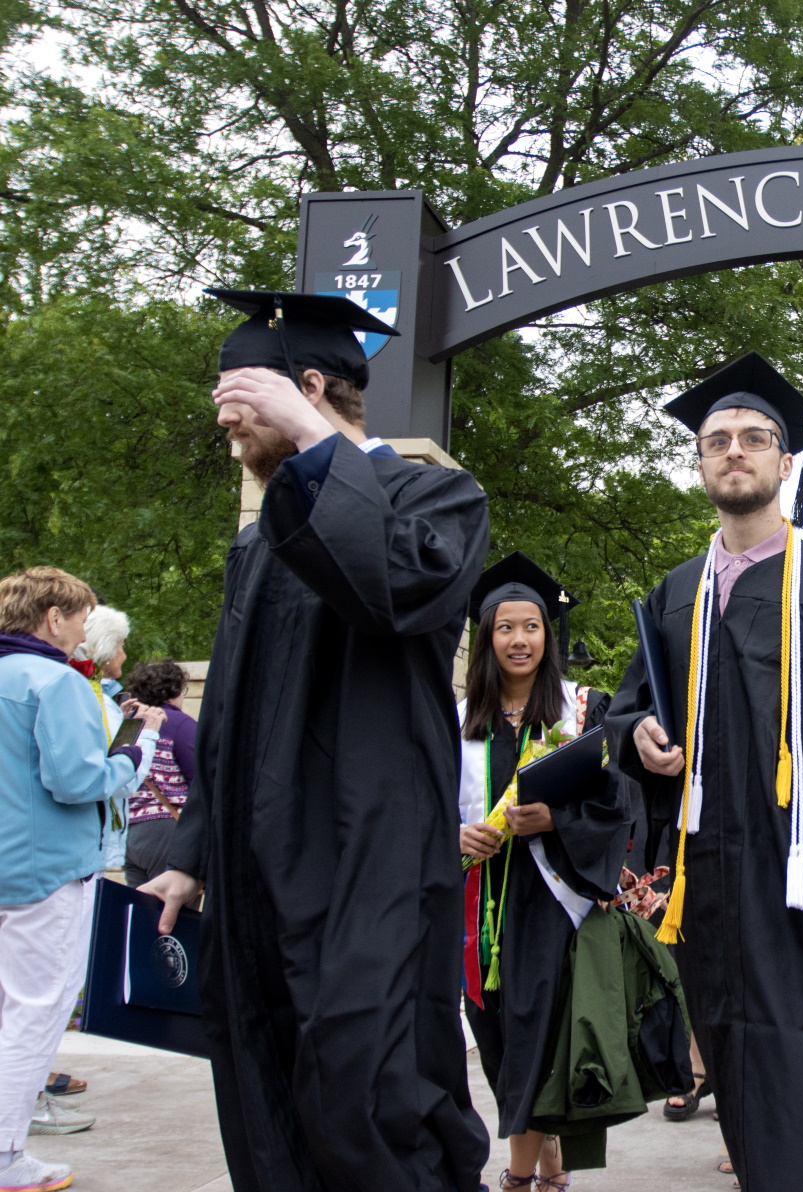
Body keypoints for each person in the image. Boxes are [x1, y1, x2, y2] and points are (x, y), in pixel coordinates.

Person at [141, 289, 491, 1192]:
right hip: (258, 862)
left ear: (306, 388)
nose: (228, 432)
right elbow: (229, 715)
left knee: (368, 1090)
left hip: (367, 859)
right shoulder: (260, 544)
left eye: (238, 408)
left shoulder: (438, 497)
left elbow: (390, 589)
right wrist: (190, 852)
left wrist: (309, 434)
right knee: (262, 1075)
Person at [605, 351, 803, 1192]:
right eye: (717, 441)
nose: (734, 451)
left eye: (754, 438)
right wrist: (639, 734)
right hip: (713, 882)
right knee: (740, 1058)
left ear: (786, 462)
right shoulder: (676, 595)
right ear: (701, 463)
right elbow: (629, 710)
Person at [458, 553, 632, 1189]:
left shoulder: (581, 712)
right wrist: (456, 835)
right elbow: (418, 811)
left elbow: (618, 804)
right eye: (504, 628)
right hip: (475, 912)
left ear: (547, 634)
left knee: (533, 1039)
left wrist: (556, 823)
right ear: (486, 638)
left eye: (530, 626)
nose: (519, 639)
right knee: (496, 1037)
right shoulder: (458, 724)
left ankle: (519, 1178)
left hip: (553, 905)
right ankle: (551, 1160)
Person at [0, 567, 160, 1192]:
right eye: (81, 617)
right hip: (46, 872)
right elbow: (76, 782)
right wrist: (133, 754)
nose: (83, 629)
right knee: (35, 1014)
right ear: (54, 617)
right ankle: (8, 1156)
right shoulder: (54, 682)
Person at [120, 659, 199, 887]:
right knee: (174, 911)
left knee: (140, 911)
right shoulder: (180, 724)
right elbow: (199, 780)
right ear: (173, 691)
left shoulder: (128, 723)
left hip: (129, 831)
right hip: (166, 828)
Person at [70, 604, 133, 869]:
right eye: (120, 645)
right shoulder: (87, 694)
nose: (124, 655)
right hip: (86, 838)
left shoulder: (93, 692)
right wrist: (147, 738)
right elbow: (122, 782)